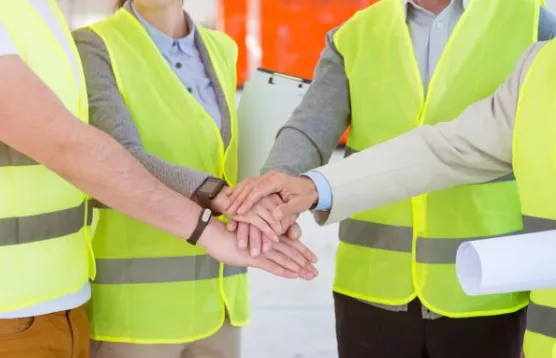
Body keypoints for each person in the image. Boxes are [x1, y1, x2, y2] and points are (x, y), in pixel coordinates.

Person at [0, 0, 317, 357]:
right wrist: (213, 217)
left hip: (67, 301)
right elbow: (76, 148)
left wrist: (264, 205)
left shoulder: (41, 14)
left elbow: (224, 153)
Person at [227, 0, 556, 357]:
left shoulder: (534, 24)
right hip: (376, 281)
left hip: (489, 283)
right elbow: (315, 126)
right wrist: (290, 189)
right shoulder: (355, 34)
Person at [71, 1, 316, 357]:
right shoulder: (93, 45)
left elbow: (225, 157)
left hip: (220, 300)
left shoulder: (222, 48)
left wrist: (267, 209)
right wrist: (219, 195)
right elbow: (119, 155)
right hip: (138, 310)